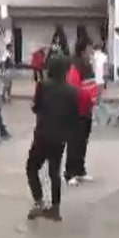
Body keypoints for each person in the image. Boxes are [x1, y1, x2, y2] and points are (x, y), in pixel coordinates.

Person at [26, 56, 79, 222]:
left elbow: (36, 108)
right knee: (54, 172)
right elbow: (74, 117)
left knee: (32, 167)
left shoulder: (43, 86)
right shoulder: (72, 91)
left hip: (42, 135)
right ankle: (55, 208)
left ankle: (38, 201)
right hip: (60, 138)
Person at [65, 38, 98, 186]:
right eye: (90, 48)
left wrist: (94, 99)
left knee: (82, 142)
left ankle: (80, 170)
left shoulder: (88, 65)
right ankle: (69, 173)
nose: (92, 51)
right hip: (76, 111)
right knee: (74, 143)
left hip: (87, 109)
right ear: (83, 50)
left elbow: (91, 84)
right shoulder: (75, 67)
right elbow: (73, 89)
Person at [92, 42, 113, 126]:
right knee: (98, 100)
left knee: (94, 101)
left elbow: (92, 68)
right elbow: (106, 70)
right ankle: (108, 113)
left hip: (93, 81)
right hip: (101, 81)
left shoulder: (92, 57)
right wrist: (105, 82)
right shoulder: (104, 57)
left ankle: (95, 119)